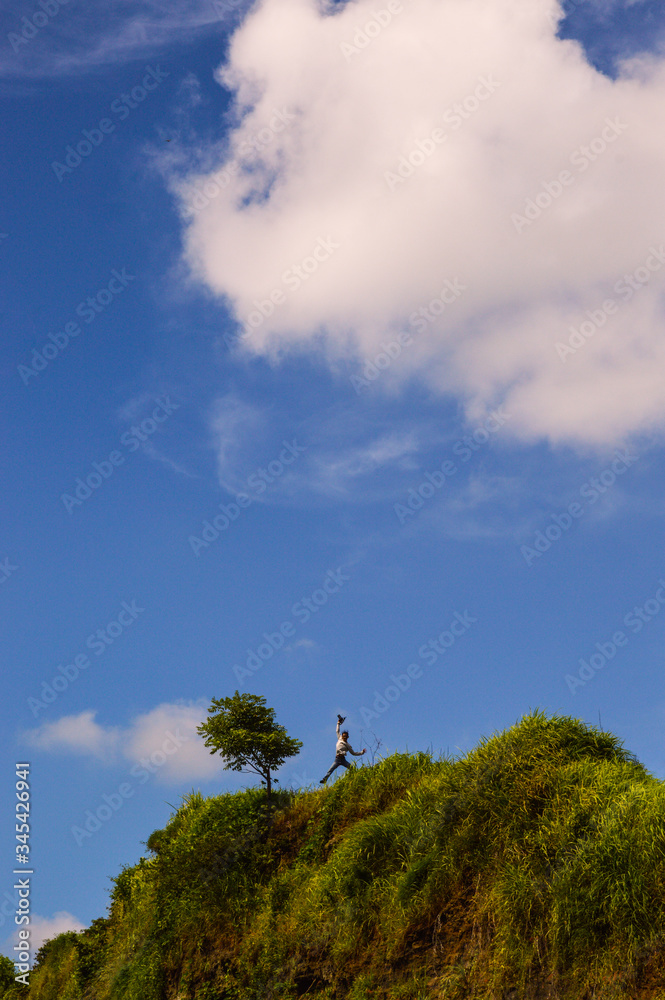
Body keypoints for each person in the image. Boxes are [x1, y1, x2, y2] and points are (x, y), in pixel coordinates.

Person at [320, 714, 366, 783]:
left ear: (347, 737)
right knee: (330, 770)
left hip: (343, 759)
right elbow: (337, 731)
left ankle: (357, 777)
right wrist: (338, 723)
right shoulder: (340, 738)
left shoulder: (348, 745)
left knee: (352, 768)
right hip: (337, 759)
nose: (344, 737)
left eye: (345, 736)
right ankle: (325, 779)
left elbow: (353, 753)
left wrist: (362, 752)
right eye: (343, 736)